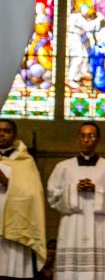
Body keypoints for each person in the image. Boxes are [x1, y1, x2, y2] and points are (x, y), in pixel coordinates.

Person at [47, 121, 105, 280]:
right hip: (72, 227)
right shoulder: (63, 167)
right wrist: (74, 189)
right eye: (83, 135)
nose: (86, 140)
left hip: (101, 227)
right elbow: (52, 195)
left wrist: (96, 190)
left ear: (98, 139)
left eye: (91, 136)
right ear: (78, 138)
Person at [0, 119, 46, 279]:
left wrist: (6, 181)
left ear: (14, 135)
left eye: (6, 131)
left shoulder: (25, 161)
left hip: (16, 224)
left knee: (12, 270)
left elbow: (32, 193)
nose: (1, 134)